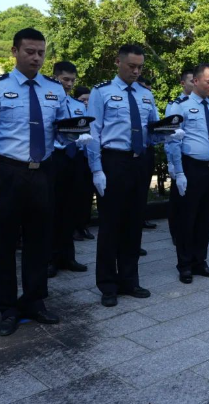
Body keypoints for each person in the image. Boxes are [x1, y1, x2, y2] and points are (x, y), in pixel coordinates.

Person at [0, 28, 88, 336]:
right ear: (15, 52)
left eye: (41, 52)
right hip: (8, 172)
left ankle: (35, 301)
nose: (36, 58)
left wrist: (75, 135)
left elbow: (62, 129)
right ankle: (7, 308)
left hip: (43, 172)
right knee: (4, 242)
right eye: (30, 52)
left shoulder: (54, 88)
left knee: (40, 240)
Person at [87, 44, 161, 307]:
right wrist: (97, 169)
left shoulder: (145, 94)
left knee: (133, 222)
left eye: (140, 67)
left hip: (139, 162)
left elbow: (153, 127)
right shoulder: (102, 92)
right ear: (118, 63)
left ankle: (129, 280)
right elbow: (93, 133)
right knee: (110, 225)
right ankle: (108, 284)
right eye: (131, 66)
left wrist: (166, 133)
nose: (136, 71)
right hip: (113, 161)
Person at [166, 63, 209, 283]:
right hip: (191, 167)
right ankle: (185, 265)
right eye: (208, 81)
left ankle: (200, 261)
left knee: (206, 219)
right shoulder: (180, 106)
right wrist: (178, 171)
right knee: (186, 219)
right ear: (196, 81)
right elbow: (173, 141)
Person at [48, 61, 88, 278]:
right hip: (55, 158)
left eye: (72, 80)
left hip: (75, 158)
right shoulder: (48, 102)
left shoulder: (78, 105)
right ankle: (51, 258)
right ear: (55, 78)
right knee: (52, 209)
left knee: (71, 208)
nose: (69, 84)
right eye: (65, 79)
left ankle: (67, 256)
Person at [164, 68, 195, 244]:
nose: (195, 84)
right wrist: (171, 162)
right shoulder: (175, 105)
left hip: (193, 159)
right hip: (179, 157)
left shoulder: (202, 104)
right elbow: (169, 136)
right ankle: (176, 232)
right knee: (178, 197)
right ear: (183, 83)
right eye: (191, 81)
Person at [71, 85, 95, 241]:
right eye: (83, 99)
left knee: (87, 194)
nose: (86, 102)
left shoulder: (93, 112)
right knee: (75, 194)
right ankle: (74, 228)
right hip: (77, 156)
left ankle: (84, 225)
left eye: (88, 99)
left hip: (90, 158)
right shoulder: (75, 111)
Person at [137, 75, 157, 233]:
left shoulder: (149, 100)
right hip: (127, 153)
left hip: (147, 149)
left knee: (143, 187)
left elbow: (154, 123)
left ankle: (141, 218)